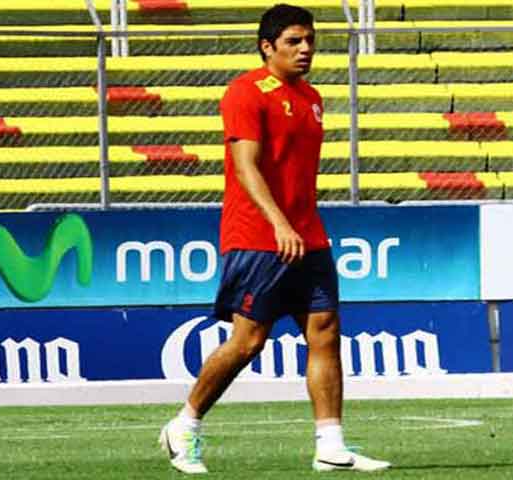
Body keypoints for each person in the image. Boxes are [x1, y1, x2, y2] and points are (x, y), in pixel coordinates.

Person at [158, 4, 391, 474]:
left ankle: (330, 446)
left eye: (310, 40)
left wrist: (296, 225)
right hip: (258, 236)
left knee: (325, 330)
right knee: (248, 342)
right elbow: (245, 167)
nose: (305, 49)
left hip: (308, 235)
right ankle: (185, 425)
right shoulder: (245, 92)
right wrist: (279, 223)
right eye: (293, 41)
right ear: (267, 47)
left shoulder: (312, 97)